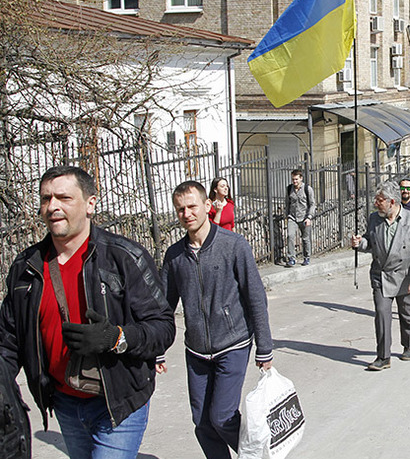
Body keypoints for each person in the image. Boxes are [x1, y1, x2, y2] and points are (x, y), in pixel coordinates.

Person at [0, 166, 175, 459]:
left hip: (119, 404)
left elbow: (163, 326)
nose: (52, 206)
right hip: (65, 403)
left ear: (90, 204)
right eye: (46, 199)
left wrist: (116, 337)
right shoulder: (25, 268)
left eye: (64, 198)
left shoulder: (124, 257)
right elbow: (8, 340)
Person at [158, 180, 273, 458]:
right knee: (202, 423)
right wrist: (156, 349)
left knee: (222, 416)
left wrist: (265, 347)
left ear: (207, 206)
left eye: (192, 207)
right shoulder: (174, 256)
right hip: (196, 350)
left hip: (232, 344)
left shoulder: (233, 245)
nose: (187, 214)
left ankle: (259, 455)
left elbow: (255, 296)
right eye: (180, 209)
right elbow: (163, 308)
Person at [351, 181, 410, 370]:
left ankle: (409, 345)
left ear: (391, 201)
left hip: (405, 276)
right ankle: (383, 357)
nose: (375, 204)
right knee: (382, 314)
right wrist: (358, 243)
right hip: (381, 275)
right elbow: (369, 242)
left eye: (379, 201)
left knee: (407, 313)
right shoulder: (374, 219)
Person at [285, 169, 315, 267]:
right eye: (293, 179)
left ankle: (306, 257)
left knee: (305, 238)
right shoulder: (289, 189)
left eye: (296, 179)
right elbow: (287, 203)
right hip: (292, 217)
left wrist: (309, 217)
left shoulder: (307, 189)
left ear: (301, 178)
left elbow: (312, 204)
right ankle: (291, 258)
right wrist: (287, 215)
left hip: (304, 217)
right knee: (290, 236)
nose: (295, 181)